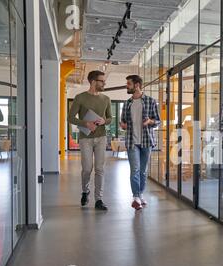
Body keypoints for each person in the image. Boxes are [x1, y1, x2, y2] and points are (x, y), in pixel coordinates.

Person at [68, 70, 112, 210]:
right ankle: (85, 191)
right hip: (85, 138)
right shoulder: (80, 98)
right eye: (102, 81)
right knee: (87, 169)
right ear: (93, 82)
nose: (104, 83)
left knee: (100, 169)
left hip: (101, 137)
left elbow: (110, 118)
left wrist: (104, 121)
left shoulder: (106, 99)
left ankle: (99, 199)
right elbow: (70, 117)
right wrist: (85, 124)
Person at [120, 75, 160, 211]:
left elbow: (158, 121)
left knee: (143, 171)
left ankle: (141, 194)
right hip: (132, 141)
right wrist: (122, 125)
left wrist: (150, 121)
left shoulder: (150, 101)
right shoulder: (127, 103)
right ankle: (136, 196)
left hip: (146, 141)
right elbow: (122, 122)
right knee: (135, 170)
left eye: (129, 84)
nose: (127, 86)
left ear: (137, 85)